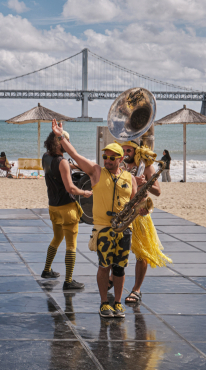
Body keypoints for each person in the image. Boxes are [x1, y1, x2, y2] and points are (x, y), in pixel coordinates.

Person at [51, 120, 144, 319]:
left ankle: (117, 303)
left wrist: (141, 209)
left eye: (112, 158)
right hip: (103, 229)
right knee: (104, 266)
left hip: (124, 230)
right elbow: (75, 155)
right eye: (105, 157)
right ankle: (104, 303)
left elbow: (135, 203)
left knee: (119, 268)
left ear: (120, 159)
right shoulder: (96, 172)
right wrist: (61, 137)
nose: (107, 160)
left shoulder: (129, 178)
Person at [117, 141, 171, 304]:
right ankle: (114, 278)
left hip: (140, 213)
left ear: (136, 151)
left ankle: (136, 289)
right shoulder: (121, 166)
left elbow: (158, 191)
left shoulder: (146, 167)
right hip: (123, 212)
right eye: (124, 150)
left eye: (129, 150)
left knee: (142, 253)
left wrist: (143, 183)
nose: (126, 153)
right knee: (118, 249)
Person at [41, 131, 91, 290]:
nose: (68, 145)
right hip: (67, 208)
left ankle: (47, 270)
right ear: (60, 143)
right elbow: (70, 187)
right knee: (71, 245)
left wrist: (74, 166)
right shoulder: (62, 162)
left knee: (56, 238)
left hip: (53, 207)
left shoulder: (46, 157)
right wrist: (84, 193)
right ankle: (69, 281)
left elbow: (59, 167)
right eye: (66, 142)